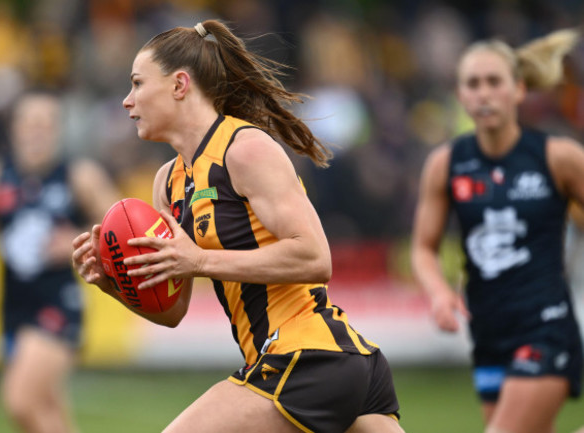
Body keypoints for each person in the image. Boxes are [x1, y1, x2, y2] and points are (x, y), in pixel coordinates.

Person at [72, 20, 404, 433]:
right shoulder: (167, 182)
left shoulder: (245, 149)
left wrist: (199, 259)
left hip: (308, 357)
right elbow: (173, 311)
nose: (126, 101)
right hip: (326, 364)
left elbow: (316, 257)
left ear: (179, 85)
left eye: (137, 83)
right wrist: (114, 281)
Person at [411, 28, 584, 433]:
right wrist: (438, 293)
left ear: (519, 90)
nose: (483, 93)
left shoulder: (557, 157)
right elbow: (423, 247)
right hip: (488, 332)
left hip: (546, 325)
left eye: (494, 82)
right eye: (473, 84)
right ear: (460, 94)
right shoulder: (446, 164)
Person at [0, 90, 120, 433]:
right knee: (44, 410)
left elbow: (123, 230)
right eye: (29, 122)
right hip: (13, 305)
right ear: (15, 128)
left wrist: (77, 239)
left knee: (21, 400)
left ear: (57, 130)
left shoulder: (79, 175)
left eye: (46, 123)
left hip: (58, 301)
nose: (37, 131)